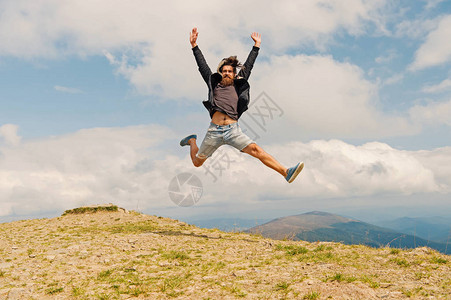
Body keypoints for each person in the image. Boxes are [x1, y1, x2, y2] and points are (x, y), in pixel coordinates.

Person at [180, 27, 303, 183]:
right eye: (224, 71)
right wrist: (194, 45)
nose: (226, 73)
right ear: (220, 72)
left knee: (256, 150)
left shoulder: (238, 84)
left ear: (234, 73)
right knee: (197, 163)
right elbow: (202, 66)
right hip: (214, 131)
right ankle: (192, 141)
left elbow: (249, 65)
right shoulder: (214, 84)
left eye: (229, 71)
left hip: (233, 130)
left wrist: (256, 46)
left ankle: (286, 172)